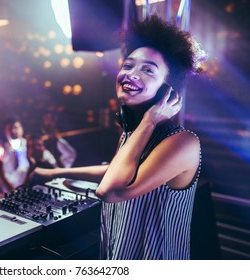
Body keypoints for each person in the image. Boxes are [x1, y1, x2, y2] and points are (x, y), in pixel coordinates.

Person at [29, 15, 205, 260]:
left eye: (147, 70)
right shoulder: (134, 134)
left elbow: (110, 191)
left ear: (168, 91)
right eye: (128, 65)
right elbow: (116, 171)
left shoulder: (182, 142)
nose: (131, 74)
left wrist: (150, 120)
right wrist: (53, 173)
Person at [2, 115, 30, 188]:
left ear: (22, 129)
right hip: (10, 192)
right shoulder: (2, 151)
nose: (13, 131)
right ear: (5, 131)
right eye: (10, 128)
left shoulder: (31, 146)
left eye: (16, 127)